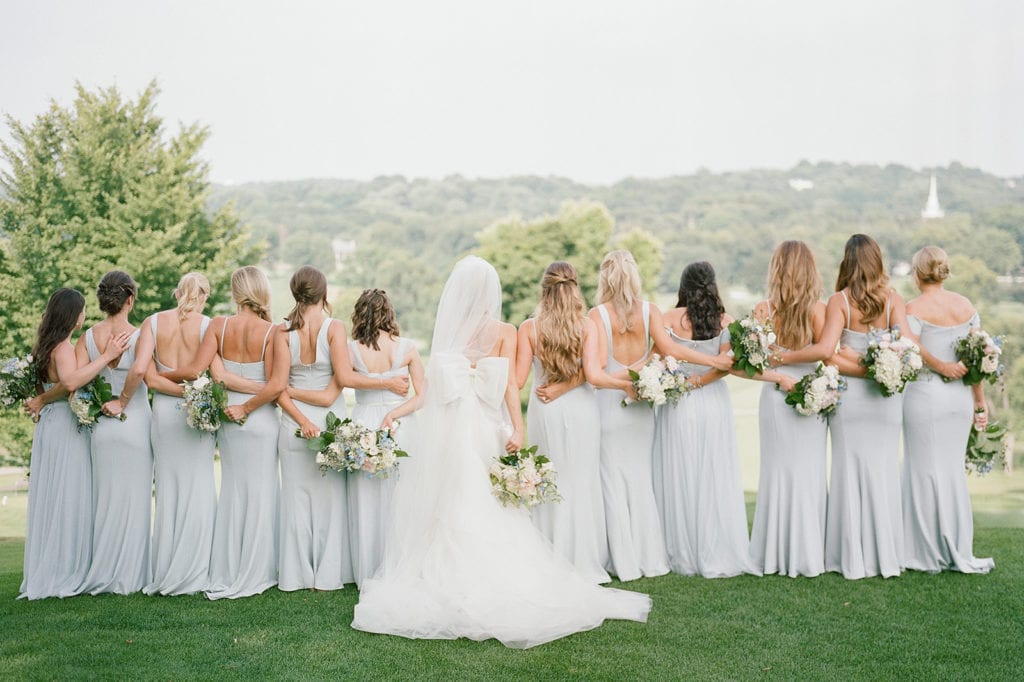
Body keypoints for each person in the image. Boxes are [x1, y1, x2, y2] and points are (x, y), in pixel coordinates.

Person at [352, 255, 651, 649]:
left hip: (457, 428)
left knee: (455, 500)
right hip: (488, 427)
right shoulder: (507, 330)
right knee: (492, 503)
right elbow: (511, 385)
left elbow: (442, 393)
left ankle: (452, 576)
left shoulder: (450, 338)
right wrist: (517, 427)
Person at [589, 251, 731, 581]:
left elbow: (595, 371)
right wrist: (713, 362)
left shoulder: (596, 316)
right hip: (641, 407)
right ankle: (648, 557)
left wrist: (622, 382)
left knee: (611, 479)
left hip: (611, 402)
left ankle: (620, 560)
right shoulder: (649, 310)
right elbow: (671, 351)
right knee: (641, 479)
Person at [777, 234, 909, 579]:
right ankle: (886, 555)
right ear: (877, 261)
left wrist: (859, 363)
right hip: (885, 397)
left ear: (846, 263)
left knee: (848, 471)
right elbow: (908, 348)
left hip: (851, 397)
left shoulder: (840, 301)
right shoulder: (894, 299)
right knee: (882, 469)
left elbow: (828, 351)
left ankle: (849, 556)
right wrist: (880, 366)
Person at [275, 268, 409, 591]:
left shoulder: (281, 332)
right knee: (330, 502)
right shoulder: (333, 328)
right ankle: (328, 574)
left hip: (293, 423)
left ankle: (295, 575)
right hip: (328, 424)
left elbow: (278, 388)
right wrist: (387, 381)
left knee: (295, 499)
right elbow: (341, 382)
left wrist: (300, 416)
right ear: (323, 294)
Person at [162, 265, 285, 599]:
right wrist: (250, 404)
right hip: (259, 418)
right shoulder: (274, 332)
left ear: (235, 293)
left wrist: (157, 373)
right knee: (261, 493)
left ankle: (229, 569)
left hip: (230, 420)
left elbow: (199, 372)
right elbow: (277, 385)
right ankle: (259, 569)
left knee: (233, 491)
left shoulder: (218, 325)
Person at [515, 261, 635, 584]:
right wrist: (624, 383)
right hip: (582, 411)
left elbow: (516, 380)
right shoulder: (586, 326)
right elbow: (594, 376)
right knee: (581, 481)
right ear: (575, 288)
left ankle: (548, 557)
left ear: (544, 290)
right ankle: (582, 559)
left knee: (549, 479)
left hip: (546, 409)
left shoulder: (529, 328)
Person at [19, 289, 131, 599]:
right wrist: (107, 357)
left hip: (50, 425)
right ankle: (65, 570)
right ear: (74, 315)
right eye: (82, 310)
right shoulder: (64, 348)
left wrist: (41, 398)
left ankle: (51, 565)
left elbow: (49, 386)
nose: (85, 315)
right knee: (70, 493)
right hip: (65, 425)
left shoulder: (44, 346)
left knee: (53, 493)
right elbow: (70, 382)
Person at [653, 262, 759, 578]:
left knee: (678, 472)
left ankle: (679, 550)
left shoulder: (667, 319)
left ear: (682, 287)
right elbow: (726, 365)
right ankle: (716, 547)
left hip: (678, 401)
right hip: (713, 401)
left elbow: (659, 358)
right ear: (713, 285)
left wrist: (685, 383)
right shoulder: (725, 321)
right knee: (713, 473)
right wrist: (699, 383)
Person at [901, 246, 994, 573]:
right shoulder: (965, 305)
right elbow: (979, 358)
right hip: (959, 400)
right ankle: (957, 545)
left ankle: (924, 551)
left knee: (923, 471)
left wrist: (939, 365)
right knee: (951, 473)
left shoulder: (912, 307)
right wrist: (979, 400)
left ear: (917, 273)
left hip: (925, 395)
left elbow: (909, 346)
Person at [746, 242, 828, 577]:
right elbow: (824, 352)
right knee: (806, 471)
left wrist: (779, 364)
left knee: (781, 472)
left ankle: (775, 553)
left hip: (778, 394)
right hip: (810, 392)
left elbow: (752, 362)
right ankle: (808, 553)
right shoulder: (818, 309)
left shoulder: (763, 310)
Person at [78, 271, 155, 595]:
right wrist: (123, 400)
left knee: (105, 498)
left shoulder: (87, 337)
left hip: (101, 424)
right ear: (130, 299)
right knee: (135, 499)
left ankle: (104, 570)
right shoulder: (141, 336)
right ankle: (133, 576)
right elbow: (145, 374)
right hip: (135, 419)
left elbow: (78, 379)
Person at [143, 272, 218, 596]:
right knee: (198, 486)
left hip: (162, 410)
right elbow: (204, 372)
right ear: (202, 295)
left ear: (177, 293)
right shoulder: (208, 325)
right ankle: (196, 567)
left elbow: (149, 377)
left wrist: (165, 379)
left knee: (169, 488)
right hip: (194, 407)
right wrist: (191, 395)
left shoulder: (152, 323)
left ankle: (166, 567)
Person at [345, 288, 424, 587]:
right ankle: (402, 566)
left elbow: (343, 380)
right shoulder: (407, 347)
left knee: (367, 499)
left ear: (359, 314)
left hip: (365, 422)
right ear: (389, 312)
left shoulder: (352, 350)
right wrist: (395, 414)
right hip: (401, 425)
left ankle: (368, 569)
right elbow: (424, 396)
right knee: (402, 498)